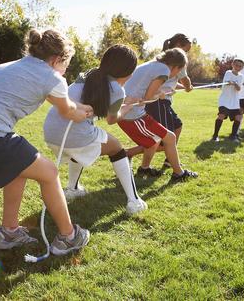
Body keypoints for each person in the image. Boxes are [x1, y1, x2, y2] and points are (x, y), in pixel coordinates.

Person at [0, 29, 93, 255]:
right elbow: (68, 111)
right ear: (57, 60)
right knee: (50, 172)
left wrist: (81, 109)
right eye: (66, 64)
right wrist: (85, 111)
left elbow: (68, 106)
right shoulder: (53, 77)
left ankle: (8, 232)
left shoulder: (10, 66)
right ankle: (68, 237)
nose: (66, 70)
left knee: (17, 170)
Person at [43, 45, 148, 215]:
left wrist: (126, 101)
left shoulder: (88, 76)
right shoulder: (117, 90)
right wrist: (127, 107)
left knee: (80, 150)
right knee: (117, 149)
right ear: (128, 72)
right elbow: (112, 119)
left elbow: (102, 101)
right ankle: (134, 201)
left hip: (51, 132)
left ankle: (73, 189)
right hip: (73, 135)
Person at [119, 48, 199, 182]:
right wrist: (160, 95)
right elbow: (148, 98)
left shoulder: (152, 64)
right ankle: (178, 173)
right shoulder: (164, 71)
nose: (177, 75)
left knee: (155, 141)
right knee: (170, 138)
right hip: (132, 114)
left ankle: (144, 168)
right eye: (179, 70)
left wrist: (162, 92)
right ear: (175, 66)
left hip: (128, 109)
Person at [130, 33, 194, 168]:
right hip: (158, 101)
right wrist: (188, 87)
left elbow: (170, 82)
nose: (186, 53)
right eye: (186, 49)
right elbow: (184, 79)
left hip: (161, 98)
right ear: (178, 46)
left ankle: (168, 160)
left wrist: (178, 88)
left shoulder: (164, 59)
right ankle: (129, 154)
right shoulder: (176, 60)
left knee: (177, 126)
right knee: (162, 140)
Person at [211, 58, 244, 142]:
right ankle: (215, 136)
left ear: (242, 67)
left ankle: (233, 136)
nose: (238, 67)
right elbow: (227, 82)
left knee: (238, 117)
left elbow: (238, 88)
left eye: (240, 66)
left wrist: (234, 83)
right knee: (221, 115)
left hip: (234, 101)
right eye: (236, 65)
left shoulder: (241, 76)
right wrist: (230, 82)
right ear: (233, 65)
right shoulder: (228, 72)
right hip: (224, 100)